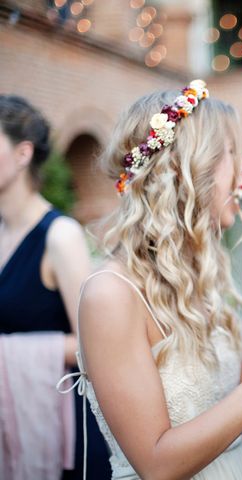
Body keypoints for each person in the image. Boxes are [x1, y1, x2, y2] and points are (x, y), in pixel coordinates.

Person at [62, 80, 242, 479]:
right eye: (232, 153)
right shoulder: (111, 294)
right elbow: (156, 464)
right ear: (185, 170)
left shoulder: (201, 281)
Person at [0, 95, 110, 479]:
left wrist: (8, 351)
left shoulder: (60, 236)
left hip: (62, 431)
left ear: (22, 153)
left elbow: (93, 346)